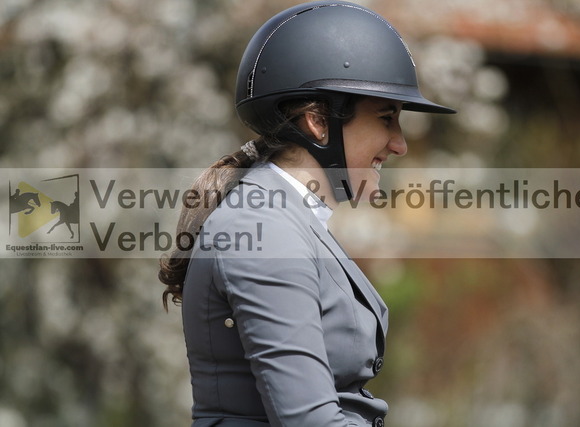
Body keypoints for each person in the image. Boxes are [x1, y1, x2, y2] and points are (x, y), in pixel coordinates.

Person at [159, 1, 454, 426]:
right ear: (318, 121)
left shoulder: (292, 220)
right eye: (386, 119)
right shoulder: (262, 227)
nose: (400, 144)